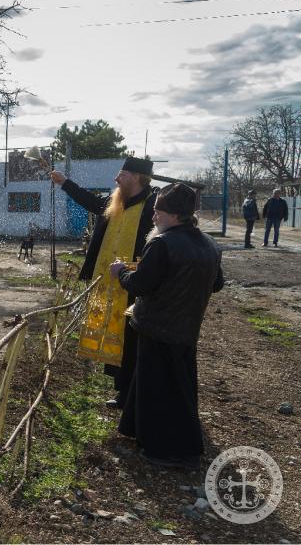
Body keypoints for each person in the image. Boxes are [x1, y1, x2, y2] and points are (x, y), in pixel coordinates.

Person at [110, 183, 224, 469]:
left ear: (174, 215)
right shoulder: (210, 245)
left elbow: (140, 285)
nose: (153, 217)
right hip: (186, 329)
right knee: (176, 386)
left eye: (157, 212)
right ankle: (137, 429)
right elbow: (217, 284)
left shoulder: (162, 243)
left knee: (160, 391)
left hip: (157, 327)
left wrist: (120, 272)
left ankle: (168, 450)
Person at [51, 156, 156, 408]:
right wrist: (65, 182)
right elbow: (90, 201)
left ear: (137, 177)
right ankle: (122, 391)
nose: (116, 178)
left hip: (135, 283)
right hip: (109, 281)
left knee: (132, 339)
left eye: (122, 174)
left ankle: (133, 392)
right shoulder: (115, 201)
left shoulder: (152, 205)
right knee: (114, 335)